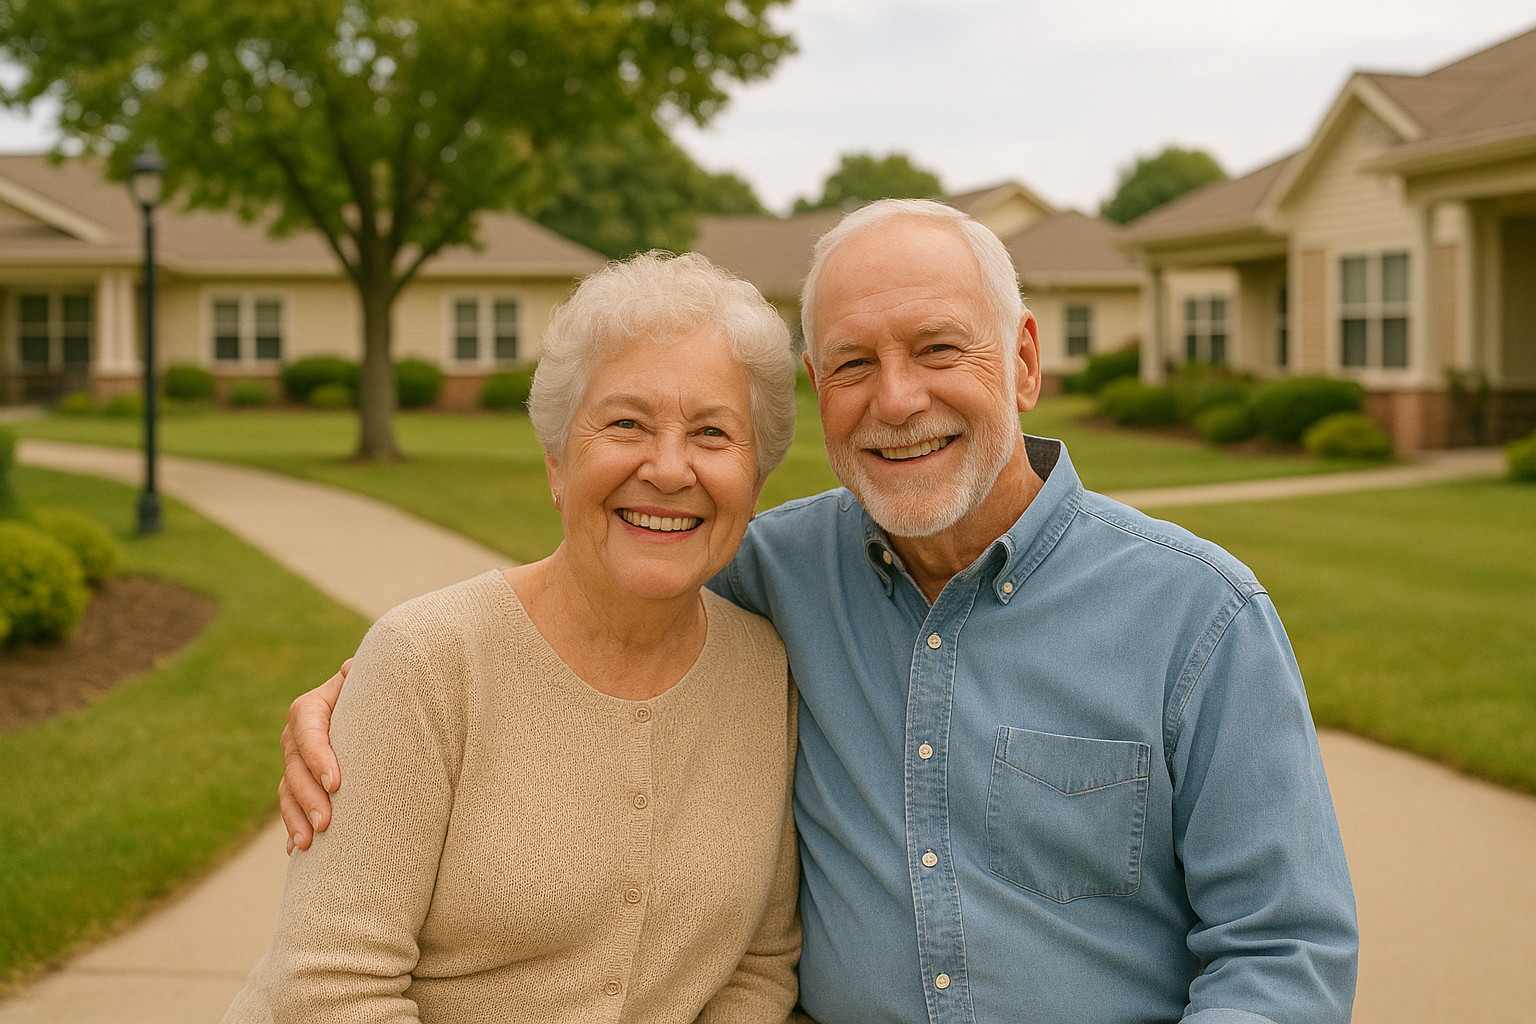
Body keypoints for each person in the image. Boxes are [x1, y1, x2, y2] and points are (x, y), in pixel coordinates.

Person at [282, 200, 1359, 1023]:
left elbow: (1284, 954)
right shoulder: (771, 571)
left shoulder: (1199, 616)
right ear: (816, 387)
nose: (897, 399)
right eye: (854, 364)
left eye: (938, 348)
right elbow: (576, 606)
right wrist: (367, 694)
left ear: (1024, 360)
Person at [228, 252, 803, 1023]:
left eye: (712, 432)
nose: (669, 469)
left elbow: (759, 967)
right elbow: (331, 989)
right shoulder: (428, 662)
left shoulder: (767, 672)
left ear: (756, 480)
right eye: (626, 423)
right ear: (557, 463)